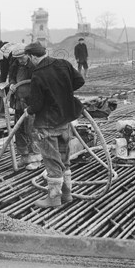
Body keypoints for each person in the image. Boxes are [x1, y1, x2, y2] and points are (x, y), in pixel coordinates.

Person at [24, 42, 85, 208]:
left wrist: (27, 110)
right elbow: (80, 80)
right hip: (65, 121)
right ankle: (67, 194)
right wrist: (63, 92)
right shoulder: (63, 63)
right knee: (64, 160)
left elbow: (36, 105)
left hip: (47, 124)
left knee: (52, 162)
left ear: (32, 56)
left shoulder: (38, 74)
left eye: (29, 58)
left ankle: (54, 198)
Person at [7, 44, 41, 171]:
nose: (20, 60)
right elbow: (11, 77)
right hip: (18, 101)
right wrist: (11, 84)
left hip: (31, 102)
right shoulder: (15, 65)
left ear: (28, 55)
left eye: (22, 57)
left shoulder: (34, 66)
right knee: (19, 129)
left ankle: (37, 158)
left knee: (32, 130)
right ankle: (25, 156)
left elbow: (39, 84)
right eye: (18, 58)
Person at [0, 39, 16, 116]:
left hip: (15, 71)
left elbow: (4, 71)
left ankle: (1, 112)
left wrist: (1, 83)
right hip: (23, 68)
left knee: (4, 90)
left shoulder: (3, 50)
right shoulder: (11, 44)